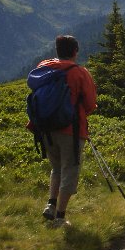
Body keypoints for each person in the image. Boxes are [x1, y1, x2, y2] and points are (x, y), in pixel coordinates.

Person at [32, 35, 97, 227]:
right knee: (70, 170)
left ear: (57, 50)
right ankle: (60, 217)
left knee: (56, 167)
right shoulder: (79, 73)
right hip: (71, 129)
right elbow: (90, 104)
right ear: (75, 51)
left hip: (45, 127)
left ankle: (50, 205)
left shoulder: (44, 66)